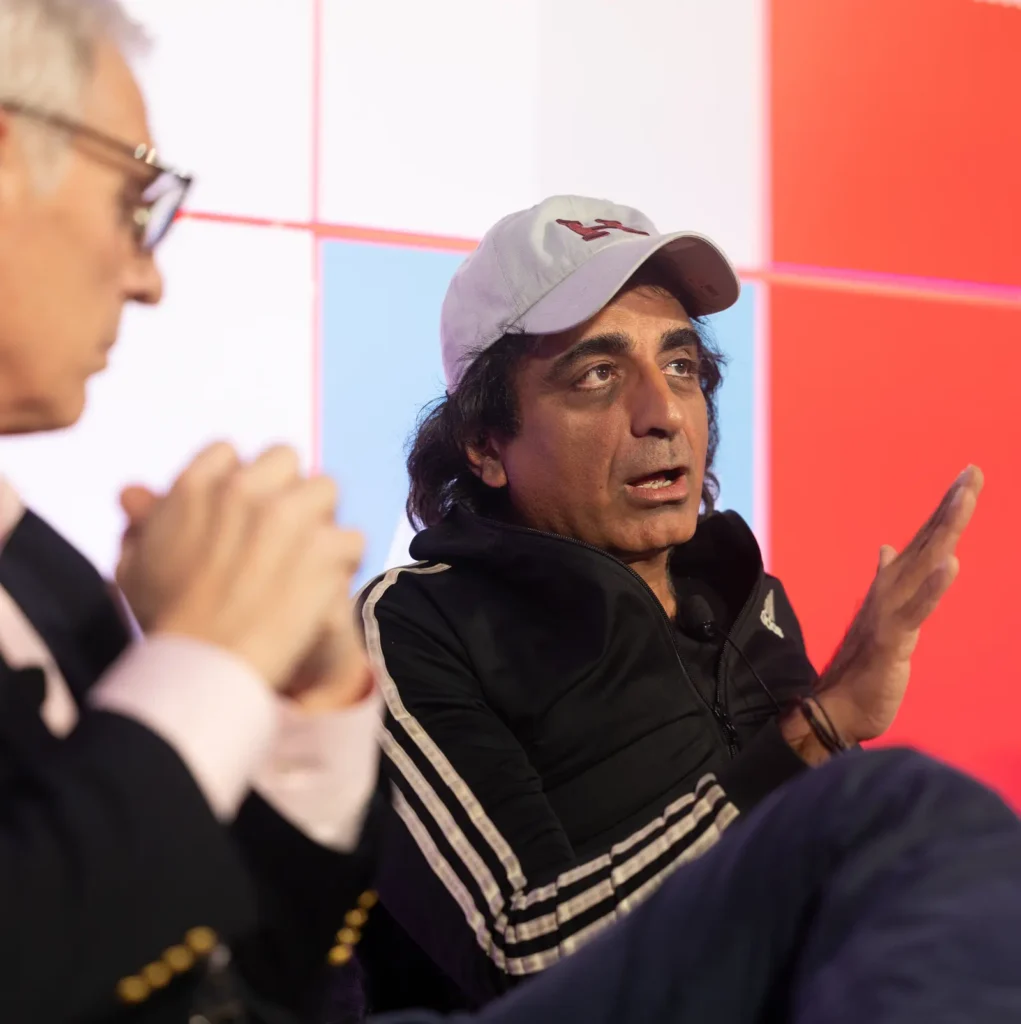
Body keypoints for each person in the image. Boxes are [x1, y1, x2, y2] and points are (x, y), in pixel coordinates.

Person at [361, 194, 987, 1006]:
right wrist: (815, 733)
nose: (662, 415)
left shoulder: (743, 602)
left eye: (682, 367)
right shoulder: (412, 627)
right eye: (597, 375)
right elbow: (522, 951)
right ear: (485, 445)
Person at [0, 2, 383, 1021]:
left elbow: (232, 972)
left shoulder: (44, 572)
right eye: (135, 199)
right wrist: (208, 659)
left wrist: (305, 706)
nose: (149, 277)